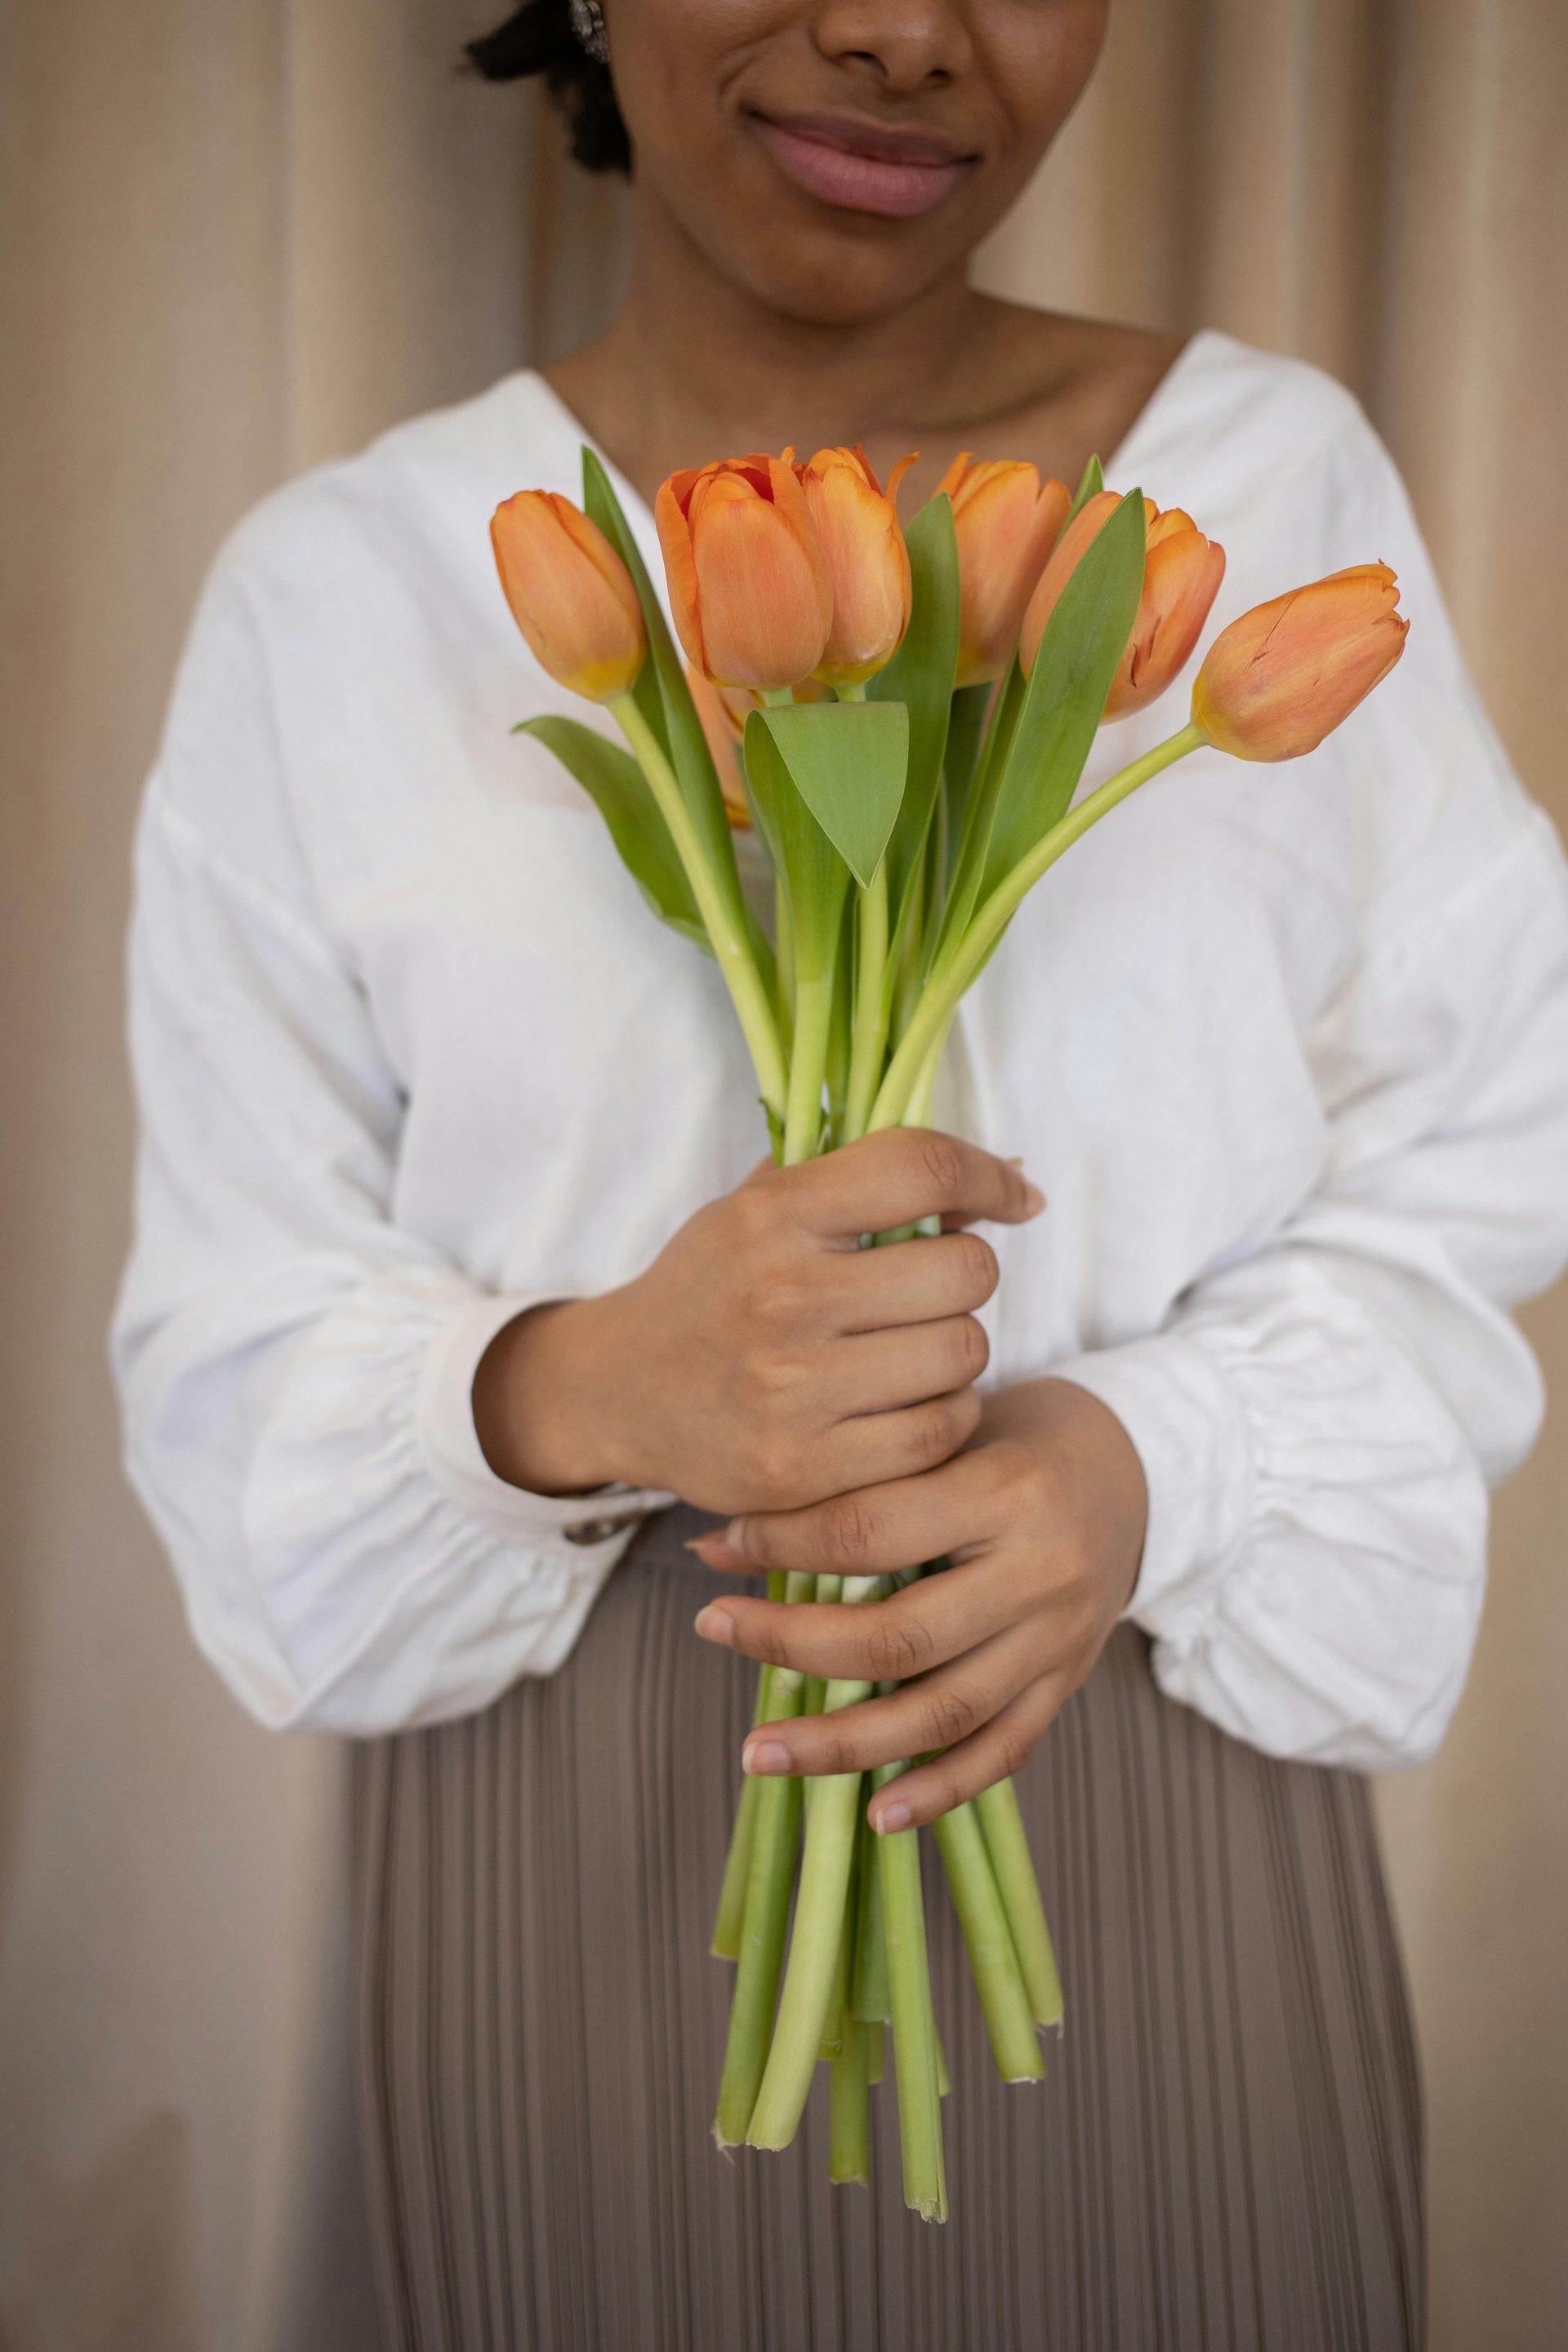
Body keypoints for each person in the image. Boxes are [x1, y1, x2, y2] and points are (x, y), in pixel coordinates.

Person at [112, 0, 1568, 2345]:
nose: (902, 27)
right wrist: (589, 1385)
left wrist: (1151, 1463)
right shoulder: (346, 592)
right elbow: (225, 1324)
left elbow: (1477, 1158)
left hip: (1147, 1756)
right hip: (573, 1824)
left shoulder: (1265, 489)